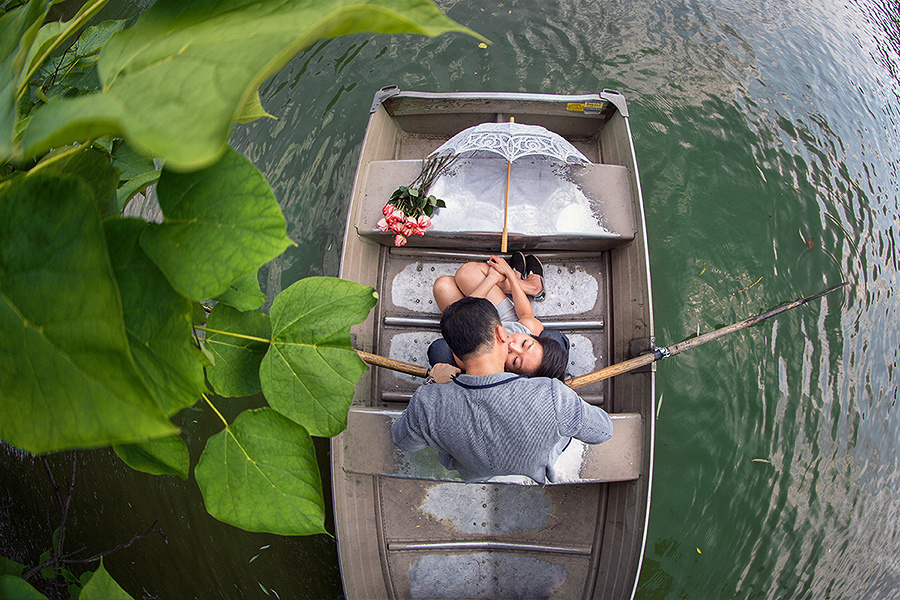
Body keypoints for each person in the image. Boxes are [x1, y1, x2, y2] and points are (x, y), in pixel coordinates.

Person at [390, 297, 613, 484]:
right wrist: (561, 402)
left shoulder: (426, 403)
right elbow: (603, 431)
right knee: (555, 339)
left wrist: (432, 384)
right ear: (501, 333)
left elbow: (402, 442)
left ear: (454, 352)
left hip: (474, 473)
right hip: (537, 466)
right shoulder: (554, 395)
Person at [430, 253, 569, 379]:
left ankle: (509, 281)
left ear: (508, 370)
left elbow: (462, 315)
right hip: (502, 318)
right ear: (533, 337)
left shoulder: (477, 358)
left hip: (471, 326)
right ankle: (530, 286)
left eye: (515, 360)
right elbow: (526, 313)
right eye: (525, 343)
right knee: (467, 273)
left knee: (442, 286)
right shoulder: (529, 329)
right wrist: (509, 274)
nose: (512, 346)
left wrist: (493, 278)